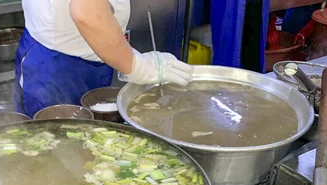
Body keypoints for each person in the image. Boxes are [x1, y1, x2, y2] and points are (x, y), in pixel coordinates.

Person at [14, 0, 194, 118]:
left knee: (89, 148)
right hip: (58, 63)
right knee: (55, 150)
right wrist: (137, 66)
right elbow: (86, 12)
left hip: (92, 53)